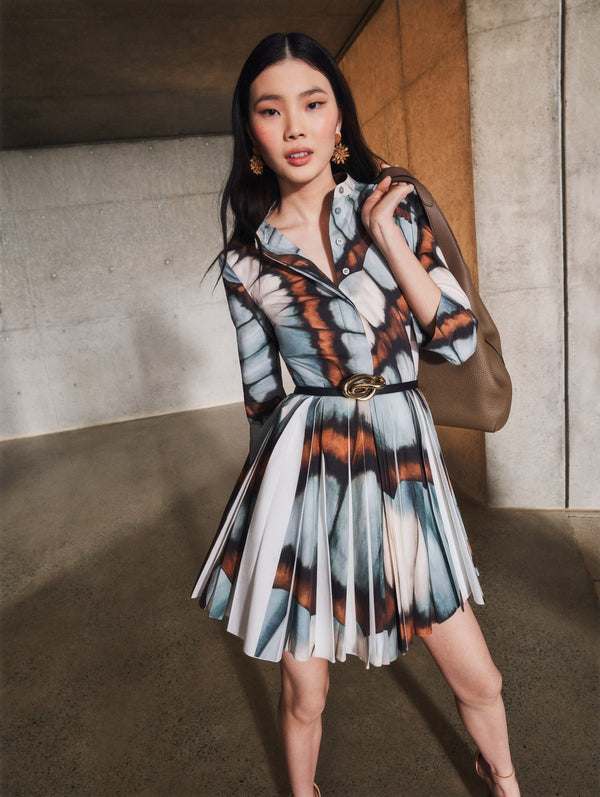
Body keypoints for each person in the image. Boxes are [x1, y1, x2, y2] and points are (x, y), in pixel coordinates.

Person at [192, 32, 520, 797]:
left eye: (313, 104)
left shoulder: (391, 208)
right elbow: (261, 399)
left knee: (480, 675)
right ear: (252, 134)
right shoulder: (248, 263)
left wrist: (388, 243)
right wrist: (259, 523)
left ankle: (502, 778)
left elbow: (458, 340)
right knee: (306, 689)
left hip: (403, 465)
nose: (296, 127)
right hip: (305, 474)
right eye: (271, 112)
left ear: (340, 118)